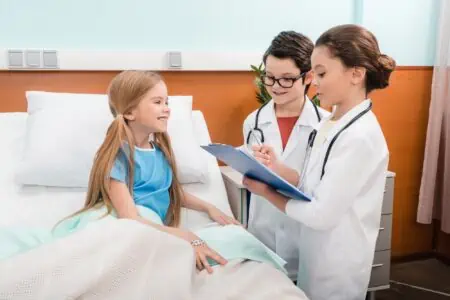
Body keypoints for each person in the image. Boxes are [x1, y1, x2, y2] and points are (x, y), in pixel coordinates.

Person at [243, 24, 395, 299]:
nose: (317, 81)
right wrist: (276, 168)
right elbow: (310, 183)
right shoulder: (334, 125)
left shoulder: (359, 136)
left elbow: (321, 214)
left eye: (322, 74)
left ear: (356, 74)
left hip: (337, 263)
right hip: (314, 253)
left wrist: (266, 191)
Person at [62, 70, 240, 273]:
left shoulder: (160, 153)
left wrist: (208, 207)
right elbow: (130, 219)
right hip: (125, 227)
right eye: (158, 102)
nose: (167, 109)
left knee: (236, 244)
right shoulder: (118, 157)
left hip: (149, 227)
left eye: (167, 102)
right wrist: (188, 236)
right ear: (130, 113)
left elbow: (168, 191)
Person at [242, 31, 329, 280]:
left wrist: (280, 171)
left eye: (287, 79)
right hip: (264, 230)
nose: (275, 87)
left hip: (304, 232)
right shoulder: (253, 122)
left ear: (308, 76)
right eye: (269, 77)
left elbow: (322, 187)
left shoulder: (325, 125)